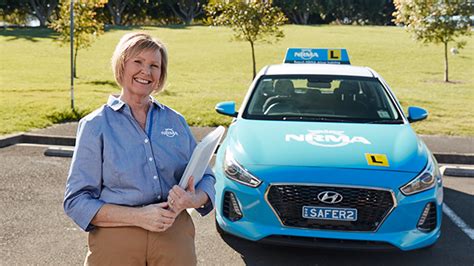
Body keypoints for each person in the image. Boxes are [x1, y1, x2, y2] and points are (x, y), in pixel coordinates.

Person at [64, 32, 215, 266]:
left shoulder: (175, 122)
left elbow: (207, 177)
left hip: (174, 236)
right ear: (122, 65)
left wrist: (193, 199)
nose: (146, 71)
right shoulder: (95, 125)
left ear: (160, 75)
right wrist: (139, 217)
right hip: (116, 241)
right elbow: (76, 201)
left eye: (154, 65)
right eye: (138, 62)